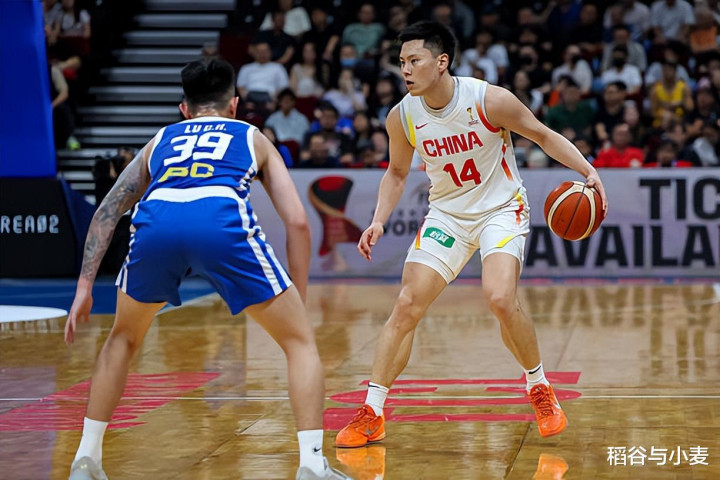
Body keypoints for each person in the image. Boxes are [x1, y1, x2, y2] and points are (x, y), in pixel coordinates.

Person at [64, 59, 349, 480]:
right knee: (299, 342)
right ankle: (311, 464)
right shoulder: (251, 135)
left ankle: (85, 460)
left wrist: (84, 287)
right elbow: (298, 222)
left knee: (122, 338)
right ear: (234, 104)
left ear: (184, 109)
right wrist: (298, 299)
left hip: (158, 220)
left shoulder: (161, 138)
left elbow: (108, 210)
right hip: (219, 218)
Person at [334, 21, 608, 449]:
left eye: (414, 60)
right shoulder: (402, 115)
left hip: (501, 209)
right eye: (402, 61)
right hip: (447, 215)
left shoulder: (488, 99)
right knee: (406, 305)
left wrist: (588, 170)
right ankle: (372, 412)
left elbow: (541, 134)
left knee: (499, 297)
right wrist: (379, 220)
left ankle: (539, 386)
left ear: (441, 62)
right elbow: (397, 172)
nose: (405, 69)